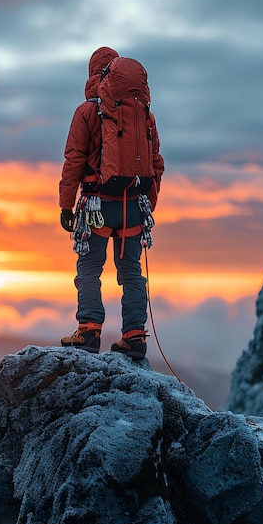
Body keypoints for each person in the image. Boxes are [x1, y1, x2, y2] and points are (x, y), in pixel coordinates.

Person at [59, 46, 164, 358]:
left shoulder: (87, 112)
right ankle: (135, 337)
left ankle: (88, 331)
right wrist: (147, 204)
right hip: (133, 203)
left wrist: (66, 204)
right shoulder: (145, 114)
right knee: (131, 271)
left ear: (95, 75)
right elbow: (156, 163)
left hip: (96, 206)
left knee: (89, 268)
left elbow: (74, 160)